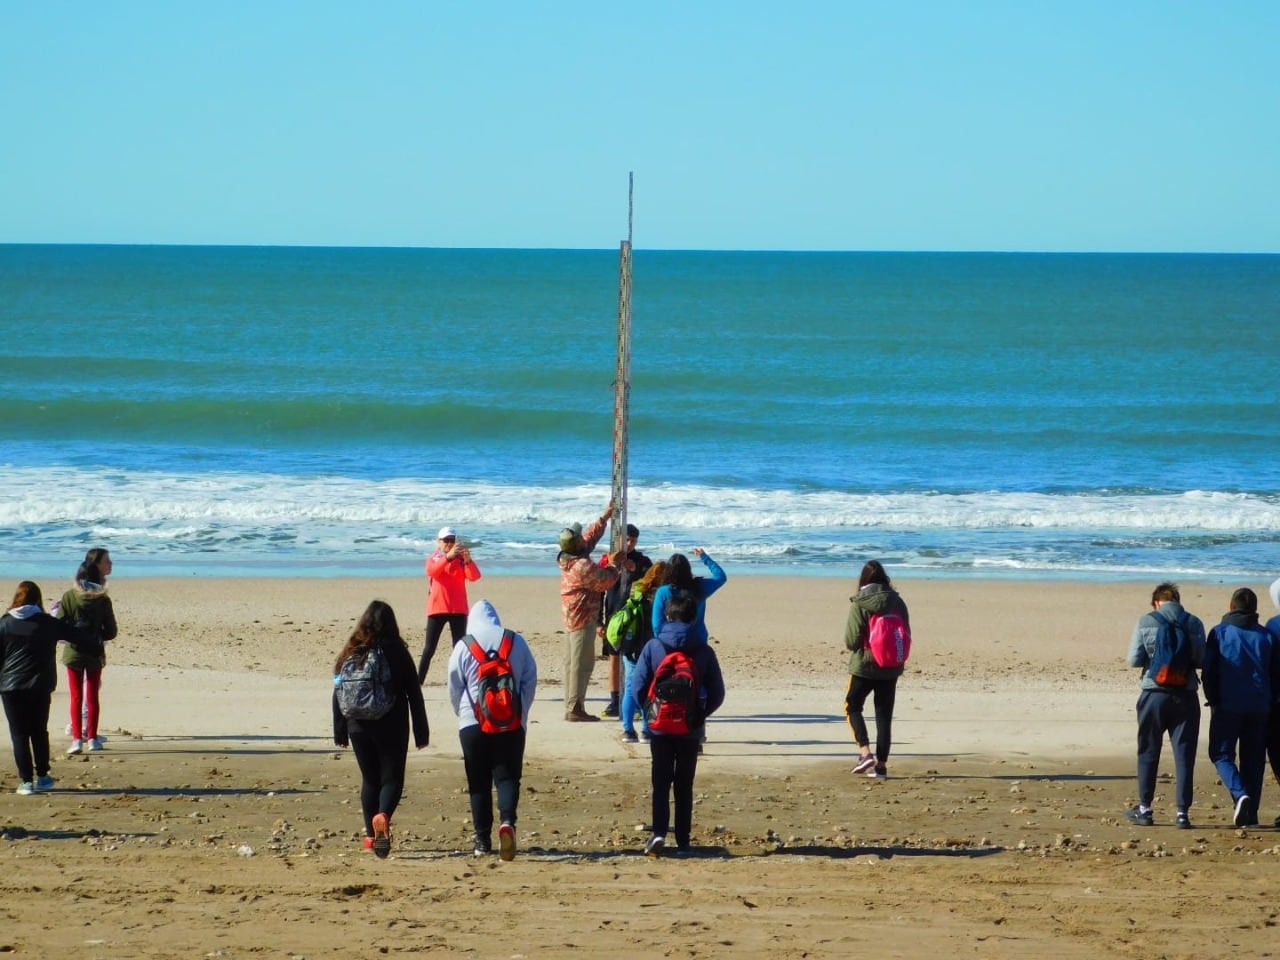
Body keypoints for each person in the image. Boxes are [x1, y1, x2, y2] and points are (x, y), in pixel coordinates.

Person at [332, 600, 429, 858]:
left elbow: (338, 688)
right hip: (391, 722)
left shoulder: (352, 648)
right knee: (392, 778)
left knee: (370, 780)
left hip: (356, 725)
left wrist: (339, 730)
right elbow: (413, 691)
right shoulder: (395, 649)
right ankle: (383, 816)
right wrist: (421, 731)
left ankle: (370, 835)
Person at [630, 593, 725, 856]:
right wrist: (699, 715)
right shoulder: (704, 650)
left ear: (668, 617)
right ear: (694, 619)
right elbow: (718, 693)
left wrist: (650, 714)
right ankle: (683, 840)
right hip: (690, 727)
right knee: (684, 784)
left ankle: (659, 833)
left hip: (659, 727)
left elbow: (637, 687)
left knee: (660, 782)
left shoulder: (653, 647)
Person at [447, 599, 537, 859]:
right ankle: (507, 822)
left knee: (478, 783)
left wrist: (462, 715)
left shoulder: (464, 646)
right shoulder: (515, 641)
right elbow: (530, 679)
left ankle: (482, 841)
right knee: (507, 778)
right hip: (511, 722)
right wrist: (521, 713)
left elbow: (454, 686)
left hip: (472, 724)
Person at [1125, 581, 1207, 829]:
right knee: (1184, 755)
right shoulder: (1194, 623)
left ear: (1156, 602)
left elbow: (1134, 659)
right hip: (1186, 695)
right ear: (1177, 601)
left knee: (1148, 751)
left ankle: (1145, 809)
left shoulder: (1147, 621)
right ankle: (1182, 814)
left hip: (1154, 693)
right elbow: (1202, 659)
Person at [1203, 587, 1278, 828]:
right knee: (1253, 760)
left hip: (1229, 704)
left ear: (1231, 606)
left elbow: (1209, 672)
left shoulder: (1220, 633)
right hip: (1259, 705)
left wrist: (1212, 699)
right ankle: (1251, 815)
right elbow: (1274, 674)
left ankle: (1240, 793)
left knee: (1221, 753)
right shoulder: (1266, 636)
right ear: (1255, 610)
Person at [1, 582, 81, 795]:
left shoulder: (5, 623)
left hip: (10, 687)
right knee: (38, 730)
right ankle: (43, 776)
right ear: (38, 600)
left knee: (19, 735)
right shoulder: (48, 623)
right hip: (39, 685)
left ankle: (26, 782)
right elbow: (78, 635)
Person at [843, 560, 909, 780]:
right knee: (884, 715)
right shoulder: (897, 601)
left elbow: (851, 641)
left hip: (864, 665)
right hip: (891, 666)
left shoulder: (860, 602)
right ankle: (881, 766)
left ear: (863, 580)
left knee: (852, 706)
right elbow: (905, 633)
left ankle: (864, 752)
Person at [557, 504, 623, 721]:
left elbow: (589, 538)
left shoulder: (570, 557)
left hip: (573, 618)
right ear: (576, 545)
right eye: (579, 539)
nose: (583, 540)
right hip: (582, 619)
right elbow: (606, 581)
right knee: (581, 665)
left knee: (572, 663)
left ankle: (572, 705)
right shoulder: (582, 566)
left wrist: (603, 518)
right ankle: (575, 708)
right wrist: (615, 565)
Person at [56, 556, 117, 754]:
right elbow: (111, 631)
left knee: (75, 696)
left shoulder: (68, 596)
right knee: (92, 697)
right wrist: (98, 635)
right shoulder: (103, 599)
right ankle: (92, 738)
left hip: (73, 652)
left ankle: (76, 740)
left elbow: (60, 624)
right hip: (94, 651)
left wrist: (72, 634)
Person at [598, 523, 652, 718]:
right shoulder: (607, 561)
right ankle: (614, 700)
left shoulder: (642, 560)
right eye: (627, 540)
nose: (629, 544)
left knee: (633, 659)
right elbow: (599, 593)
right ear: (619, 539)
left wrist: (633, 567)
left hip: (634, 618)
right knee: (613, 658)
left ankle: (636, 701)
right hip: (612, 616)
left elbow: (650, 576)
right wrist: (598, 622)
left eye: (633, 541)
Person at [418, 526, 481, 684]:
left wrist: (468, 560)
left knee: (459, 648)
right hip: (437, 609)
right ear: (438, 542)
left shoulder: (460, 560)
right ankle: (418, 682)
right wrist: (447, 558)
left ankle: (462, 682)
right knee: (429, 649)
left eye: (452, 540)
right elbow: (432, 571)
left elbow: (474, 577)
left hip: (458, 610)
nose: (449, 543)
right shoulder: (434, 558)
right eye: (445, 540)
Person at [614, 560, 667, 743]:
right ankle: (646, 729)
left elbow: (618, 610)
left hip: (631, 645)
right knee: (650, 688)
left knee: (630, 687)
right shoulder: (661, 595)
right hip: (652, 647)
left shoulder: (634, 590)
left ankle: (628, 730)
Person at [649, 548, 727, 642]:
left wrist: (662, 639)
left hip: (671, 639)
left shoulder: (663, 592)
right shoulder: (700, 586)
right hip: (697, 639)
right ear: (688, 569)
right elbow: (721, 577)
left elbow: (657, 624)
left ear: (668, 571)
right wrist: (704, 557)